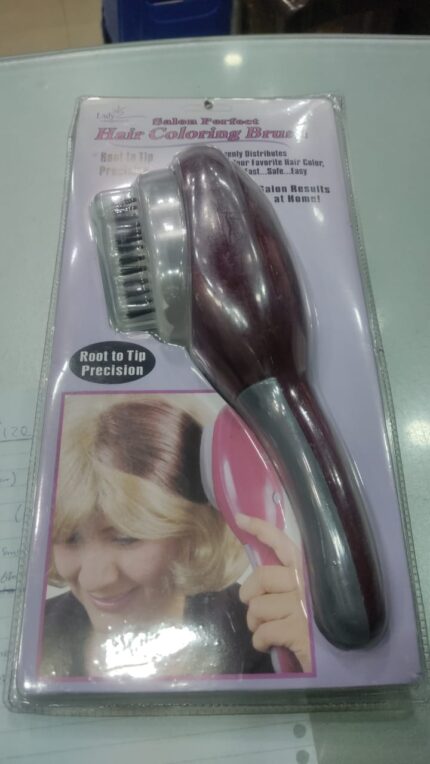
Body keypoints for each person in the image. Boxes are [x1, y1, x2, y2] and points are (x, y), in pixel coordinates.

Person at [41, 394, 311, 679]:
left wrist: (316, 656)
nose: (93, 579)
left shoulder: (268, 637)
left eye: (125, 538)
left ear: (191, 533)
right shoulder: (36, 636)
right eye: (70, 538)